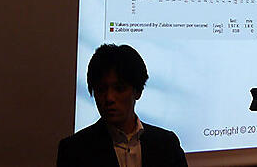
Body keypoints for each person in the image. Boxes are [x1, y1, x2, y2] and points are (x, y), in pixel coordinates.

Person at [57, 44, 188, 167]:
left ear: (138, 91)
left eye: (119, 89)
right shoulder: (74, 150)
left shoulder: (167, 144)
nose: (109, 98)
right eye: (101, 89)